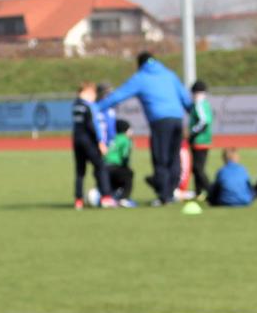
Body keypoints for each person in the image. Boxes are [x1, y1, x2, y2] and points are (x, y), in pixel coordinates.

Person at [95, 51, 193, 206]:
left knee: (160, 159)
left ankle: (164, 196)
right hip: (177, 120)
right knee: (174, 158)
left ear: (140, 64)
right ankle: (172, 192)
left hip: (160, 122)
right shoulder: (169, 74)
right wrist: (193, 114)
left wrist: (95, 108)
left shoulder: (141, 77)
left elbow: (118, 95)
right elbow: (185, 99)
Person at [69, 81, 113, 209]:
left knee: (80, 172)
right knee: (101, 166)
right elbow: (93, 125)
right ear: (87, 92)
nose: (94, 97)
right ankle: (106, 197)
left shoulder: (75, 105)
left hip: (76, 141)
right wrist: (100, 142)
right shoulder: (89, 106)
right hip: (89, 141)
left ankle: (78, 200)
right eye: (93, 93)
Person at [187, 81, 214, 199]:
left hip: (200, 140)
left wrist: (192, 133)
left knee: (198, 168)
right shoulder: (205, 103)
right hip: (203, 140)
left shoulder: (199, 103)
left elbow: (204, 121)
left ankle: (211, 191)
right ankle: (198, 192)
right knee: (196, 168)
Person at [103, 119, 136, 205]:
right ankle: (124, 198)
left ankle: (111, 196)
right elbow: (125, 157)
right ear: (126, 130)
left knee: (112, 180)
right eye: (130, 129)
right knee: (128, 174)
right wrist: (127, 167)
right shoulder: (126, 139)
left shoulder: (112, 138)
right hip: (114, 166)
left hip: (103, 167)